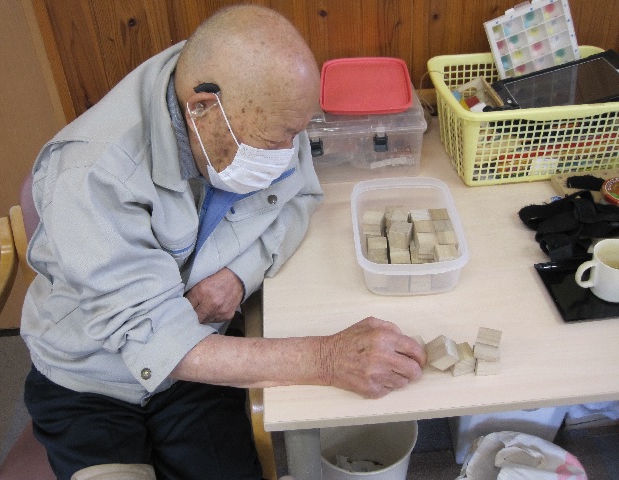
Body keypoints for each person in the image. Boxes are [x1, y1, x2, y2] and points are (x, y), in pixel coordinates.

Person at [21, 5, 426, 480]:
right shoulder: (91, 175)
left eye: (293, 135)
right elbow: (157, 340)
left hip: (200, 361)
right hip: (89, 380)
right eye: (274, 141)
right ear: (202, 109)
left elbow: (299, 198)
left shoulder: (262, 104)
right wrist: (327, 358)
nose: (287, 155)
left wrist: (238, 273)